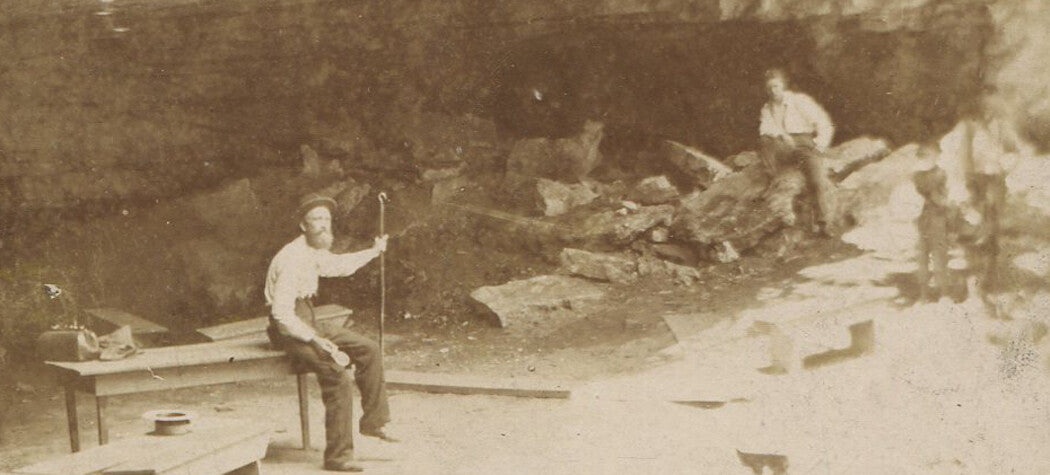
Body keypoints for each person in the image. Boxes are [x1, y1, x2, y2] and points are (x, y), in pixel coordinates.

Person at [265, 193, 395, 472]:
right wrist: (316, 340)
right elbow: (282, 315)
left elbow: (338, 266)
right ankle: (338, 457)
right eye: (316, 220)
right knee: (337, 375)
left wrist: (374, 251)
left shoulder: (313, 250)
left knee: (369, 349)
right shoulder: (291, 258)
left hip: (307, 318)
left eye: (326, 219)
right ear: (303, 225)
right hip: (288, 328)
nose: (323, 225)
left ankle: (374, 422)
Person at [758, 68, 837, 235]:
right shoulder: (767, 108)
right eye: (770, 88)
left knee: (816, 180)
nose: (773, 91)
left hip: (804, 144)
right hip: (783, 146)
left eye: (776, 86)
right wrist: (782, 135)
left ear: (783, 86)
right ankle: (773, 181)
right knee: (765, 141)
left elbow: (823, 123)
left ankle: (823, 224)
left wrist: (819, 146)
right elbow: (764, 128)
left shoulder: (799, 101)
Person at [913, 145, 961, 302]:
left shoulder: (917, 176)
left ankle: (925, 294)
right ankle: (942, 294)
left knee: (925, 256)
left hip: (925, 218)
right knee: (937, 255)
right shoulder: (938, 174)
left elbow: (930, 195)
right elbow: (936, 196)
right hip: (935, 218)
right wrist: (950, 204)